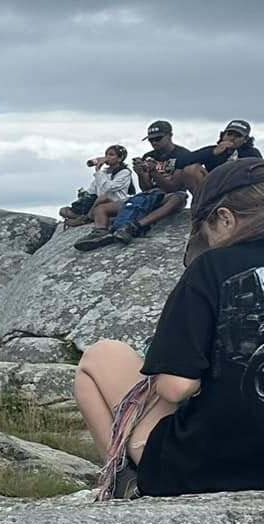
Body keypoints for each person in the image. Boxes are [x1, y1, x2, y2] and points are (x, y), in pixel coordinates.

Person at [73, 158, 264, 497]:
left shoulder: (213, 268)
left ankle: (127, 484)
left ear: (224, 217)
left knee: (101, 357)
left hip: (210, 469)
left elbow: (177, 387)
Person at [77, 152, 190, 251]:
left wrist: (154, 173)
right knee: (101, 208)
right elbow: (146, 188)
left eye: (158, 139)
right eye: (151, 139)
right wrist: (141, 174)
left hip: (167, 196)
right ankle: (100, 232)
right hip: (148, 196)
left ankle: (134, 227)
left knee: (179, 197)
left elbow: (174, 188)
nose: (154, 142)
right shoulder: (149, 156)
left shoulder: (180, 156)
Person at [171, 120, 260, 200]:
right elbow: (180, 162)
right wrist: (212, 153)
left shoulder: (252, 153)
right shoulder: (213, 150)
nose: (232, 138)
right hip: (213, 189)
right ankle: (202, 203)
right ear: (223, 135)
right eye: (229, 134)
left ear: (245, 140)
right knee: (191, 169)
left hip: (239, 189)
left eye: (238, 136)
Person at [60, 145, 135, 226]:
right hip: (97, 202)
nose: (107, 157)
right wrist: (84, 196)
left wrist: (98, 170)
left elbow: (108, 188)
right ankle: (86, 216)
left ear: (120, 158)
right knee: (63, 211)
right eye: (106, 155)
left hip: (115, 202)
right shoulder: (104, 172)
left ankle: (86, 219)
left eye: (111, 155)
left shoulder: (124, 172)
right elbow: (93, 190)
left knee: (104, 197)